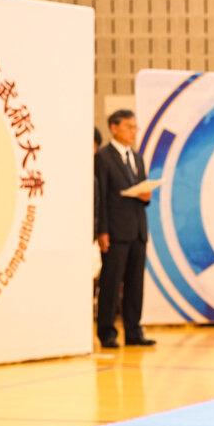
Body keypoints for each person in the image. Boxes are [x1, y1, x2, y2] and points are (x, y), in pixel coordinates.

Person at [94, 108, 155, 348]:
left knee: (134, 284)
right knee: (111, 283)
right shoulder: (103, 157)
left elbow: (143, 191)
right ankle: (107, 332)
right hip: (115, 230)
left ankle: (133, 331)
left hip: (138, 229)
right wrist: (102, 230)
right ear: (114, 127)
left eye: (135, 127)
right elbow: (101, 196)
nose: (133, 132)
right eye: (129, 127)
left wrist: (146, 196)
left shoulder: (137, 157)